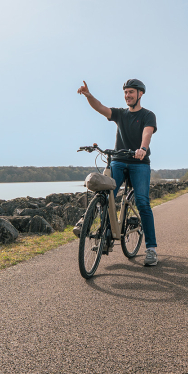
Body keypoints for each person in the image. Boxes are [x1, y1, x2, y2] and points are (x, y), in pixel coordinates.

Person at [77, 78, 159, 266]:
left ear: (140, 94)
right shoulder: (121, 114)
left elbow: (147, 134)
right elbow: (100, 108)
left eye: (131, 92)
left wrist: (143, 149)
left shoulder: (148, 115)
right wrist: (89, 96)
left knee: (143, 202)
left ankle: (151, 249)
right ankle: (90, 224)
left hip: (140, 163)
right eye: (125, 92)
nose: (127, 96)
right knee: (105, 194)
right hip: (119, 161)